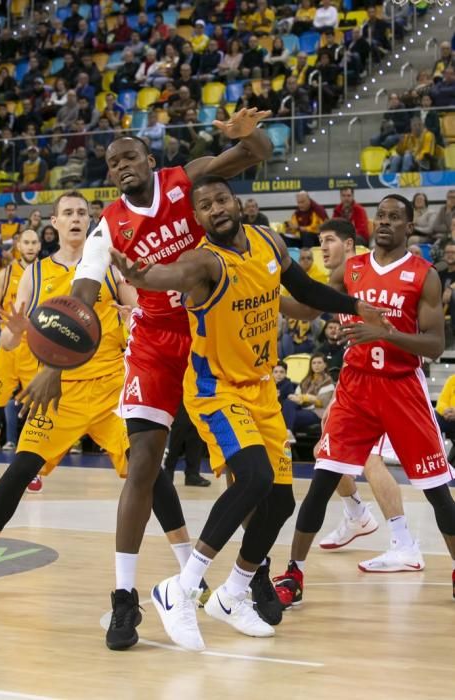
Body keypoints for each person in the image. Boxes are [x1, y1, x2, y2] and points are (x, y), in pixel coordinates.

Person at [18, 110, 280, 652]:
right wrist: (51, 365)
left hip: (212, 335)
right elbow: (80, 306)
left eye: (129, 157)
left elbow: (256, 153)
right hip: (156, 345)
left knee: (246, 466)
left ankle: (250, 577)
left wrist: (243, 134)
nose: (120, 168)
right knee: (142, 465)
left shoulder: (187, 181)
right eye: (112, 163)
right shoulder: (106, 230)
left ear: (150, 161)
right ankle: (123, 597)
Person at [110, 174, 385, 651]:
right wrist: (138, 275)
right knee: (253, 478)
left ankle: (234, 592)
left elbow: (306, 290)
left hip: (260, 388)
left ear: (238, 204)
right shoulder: (201, 261)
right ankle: (181, 588)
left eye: (222, 199)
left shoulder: (267, 241)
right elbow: (166, 276)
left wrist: (357, 305)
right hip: (216, 389)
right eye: (206, 205)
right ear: (196, 219)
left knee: (279, 502)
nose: (216, 208)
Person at [0, 193, 203, 621]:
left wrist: (131, 314)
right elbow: (11, 342)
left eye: (82, 213)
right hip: (59, 395)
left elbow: (140, 311)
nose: (75, 219)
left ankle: (189, 571)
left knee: (151, 476)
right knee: (16, 475)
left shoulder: (107, 265)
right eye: (67, 213)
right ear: (54, 221)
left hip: (111, 391)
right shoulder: (35, 272)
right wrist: (13, 335)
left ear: (91, 221)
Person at [274, 196, 455, 607]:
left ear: (410, 228)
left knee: (436, 490)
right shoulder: (350, 269)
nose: (386, 223)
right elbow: (308, 306)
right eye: (381, 217)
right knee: (322, 482)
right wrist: (266, 296)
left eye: (395, 218)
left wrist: (385, 334)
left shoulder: (424, 276)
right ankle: (294, 574)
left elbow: (435, 343)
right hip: (356, 389)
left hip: (402, 388)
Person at [0, 230, 41, 492]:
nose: (30, 246)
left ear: (40, 245)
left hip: (35, 350)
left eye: (34, 242)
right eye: (26, 242)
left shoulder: (46, 273)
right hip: (8, 349)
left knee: (35, 411)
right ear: (18, 245)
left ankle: (30, 467)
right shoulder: (6, 274)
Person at [281, 353, 334, 435]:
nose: (316, 365)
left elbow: (321, 402)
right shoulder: (306, 380)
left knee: (288, 416)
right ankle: (288, 433)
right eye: (314, 363)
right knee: (288, 403)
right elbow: (296, 395)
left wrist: (304, 398)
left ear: (325, 365)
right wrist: (298, 398)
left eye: (319, 363)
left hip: (317, 412)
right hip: (302, 407)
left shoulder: (328, 382)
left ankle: (286, 434)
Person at [164, 403, 210, 487]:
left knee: (196, 430)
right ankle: (168, 472)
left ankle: (192, 474)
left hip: (197, 399)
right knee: (179, 430)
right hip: (180, 398)